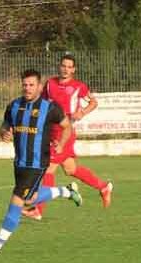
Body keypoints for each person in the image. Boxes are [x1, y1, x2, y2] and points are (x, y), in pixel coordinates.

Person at [0, 69, 83, 258]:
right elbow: (5, 124)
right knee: (30, 199)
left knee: (17, 200)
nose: (27, 88)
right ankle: (66, 191)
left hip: (37, 163)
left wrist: (62, 143)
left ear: (39, 87)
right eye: (25, 85)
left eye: (31, 85)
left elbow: (67, 126)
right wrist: (4, 132)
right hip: (19, 162)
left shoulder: (50, 108)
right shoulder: (14, 106)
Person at [24, 54, 113, 220]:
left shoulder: (79, 87)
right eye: (63, 66)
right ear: (60, 66)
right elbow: (42, 103)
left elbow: (93, 102)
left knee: (48, 169)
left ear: (74, 70)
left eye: (69, 67)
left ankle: (38, 210)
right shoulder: (50, 84)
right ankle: (103, 187)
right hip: (50, 132)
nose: (66, 69)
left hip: (65, 132)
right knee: (70, 169)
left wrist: (82, 112)